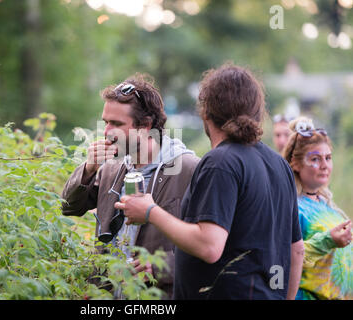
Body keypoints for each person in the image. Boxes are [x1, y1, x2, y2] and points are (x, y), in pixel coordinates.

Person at [115, 63, 305, 300]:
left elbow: (209, 245)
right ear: (257, 111)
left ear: (206, 111)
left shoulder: (220, 162)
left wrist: (150, 211)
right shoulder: (279, 165)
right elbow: (296, 251)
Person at [61, 73, 200, 298]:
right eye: (105, 122)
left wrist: (158, 268)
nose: (106, 132)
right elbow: (68, 207)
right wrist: (88, 168)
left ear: (145, 126)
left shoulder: (190, 169)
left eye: (116, 124)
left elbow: (209, 248)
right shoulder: (110, 168)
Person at [282, 117, 352, 300]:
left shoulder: (329, 206)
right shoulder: (292, 207)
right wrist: (327, 240)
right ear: (295, 164)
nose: (324, 166)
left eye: (328, 158)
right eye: (315, 159)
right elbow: (284, 257)